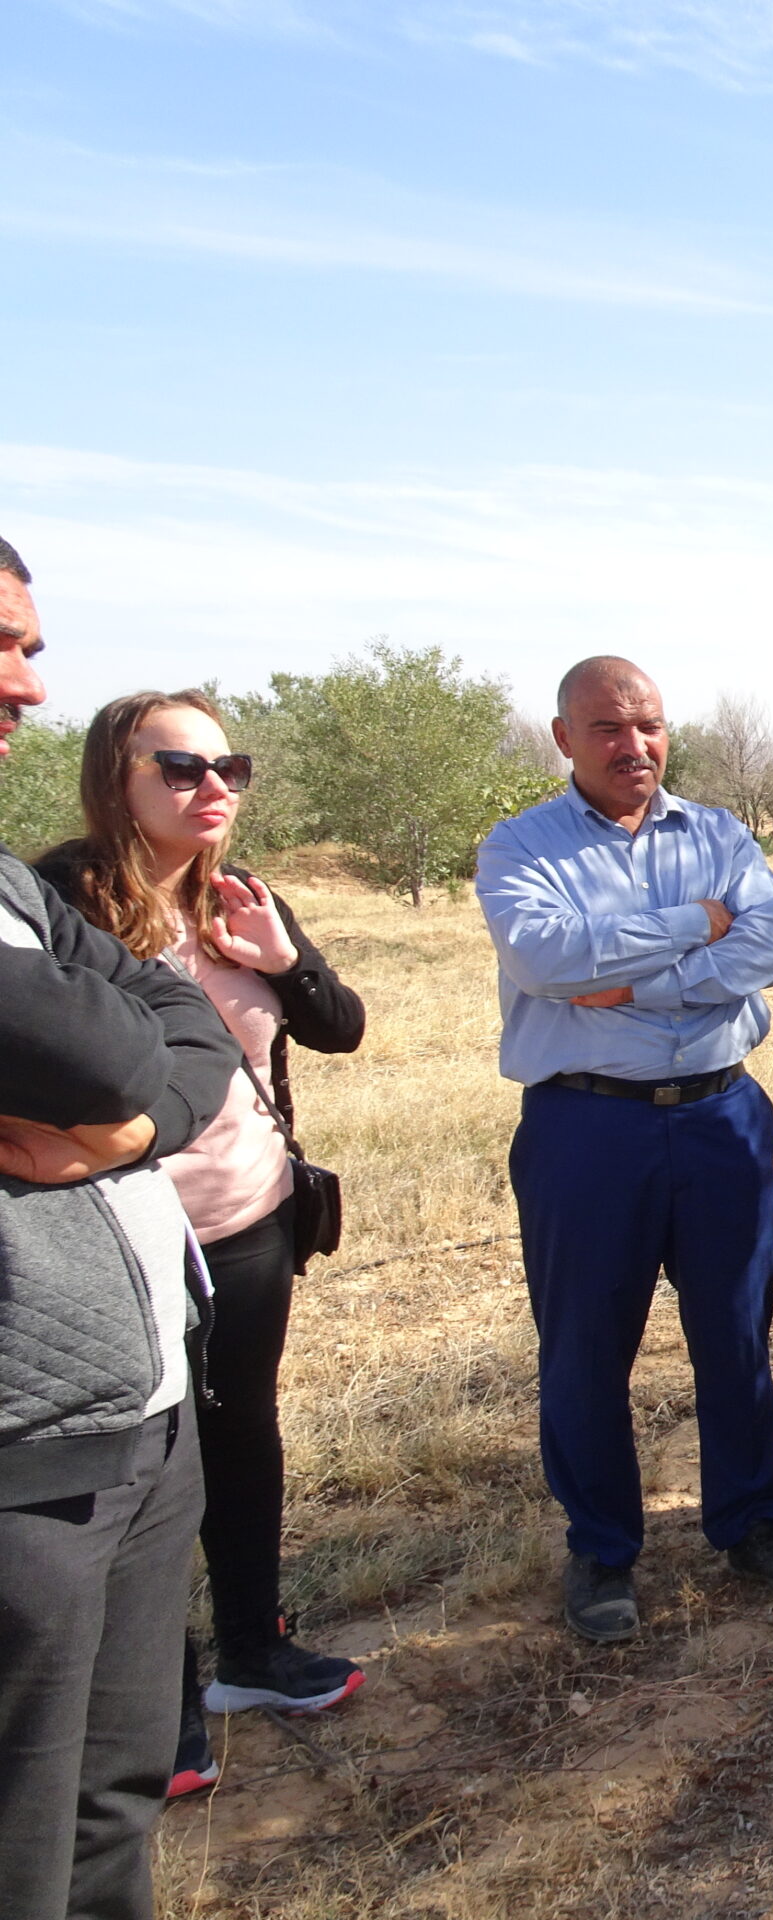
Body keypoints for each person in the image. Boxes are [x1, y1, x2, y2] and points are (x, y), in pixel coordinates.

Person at [37, 691, 367, 1798]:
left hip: (252, 1220)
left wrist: (282, 960)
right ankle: (158, 1711)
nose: (212, 785)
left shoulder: (242, 895)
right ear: (114, 779)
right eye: (179, 767)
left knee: (241, 1438)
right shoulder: (58, 902)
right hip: (129, 1241)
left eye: (229, 764)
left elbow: (340, 1026)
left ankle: (255, 1653)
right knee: (146, 1472)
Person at [475, 655, 773, 1644]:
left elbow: (770, 948)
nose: (633, 745)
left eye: (649, 725)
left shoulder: (719, 832)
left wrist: (634, 979)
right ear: (564, 739)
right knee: (587, 1348)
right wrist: (693, 929)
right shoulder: (522, 848)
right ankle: (601, 1552)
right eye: (607, 728)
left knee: (735, 1334)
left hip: (721, 1116)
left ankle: (753, 1524)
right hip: (588, 1127)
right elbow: (544, 958)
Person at [0, 535, 237, 1920]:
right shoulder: (54, 877)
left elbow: (181, 1035)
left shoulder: (10, 892)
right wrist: (125, 1082)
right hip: (25, 1465)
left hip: (143, 1423)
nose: (27, 683)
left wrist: (120, 1122)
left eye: (31, 645)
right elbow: (105, 1049)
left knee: (109, 1807)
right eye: (7, 646)